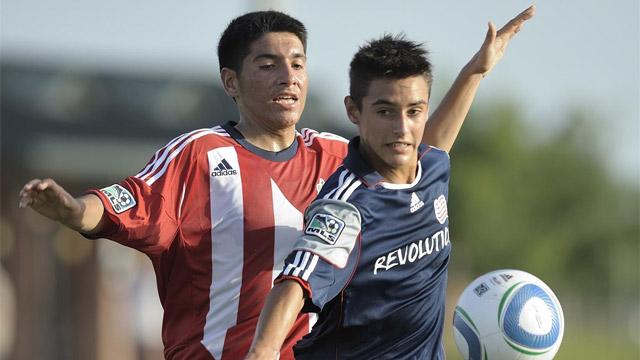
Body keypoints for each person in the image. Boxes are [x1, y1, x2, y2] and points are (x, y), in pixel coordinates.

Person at [18, 7, 535, 360]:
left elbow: (420, 157)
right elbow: (120, 205)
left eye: (297, 63)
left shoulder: (336, 157)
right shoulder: (200, 154)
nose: (288, 76)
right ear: (231, 82)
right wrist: (70, 210)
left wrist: (474, 73)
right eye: (267, 65)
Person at [247, 34, 455, 360]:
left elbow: (439, 142)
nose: (403, 128)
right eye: (385, 111)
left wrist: (476, 71)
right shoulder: (348, 206)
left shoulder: (432, 166)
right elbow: (297, 281)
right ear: (353, 111)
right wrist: (264, 350)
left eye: (414, 111)